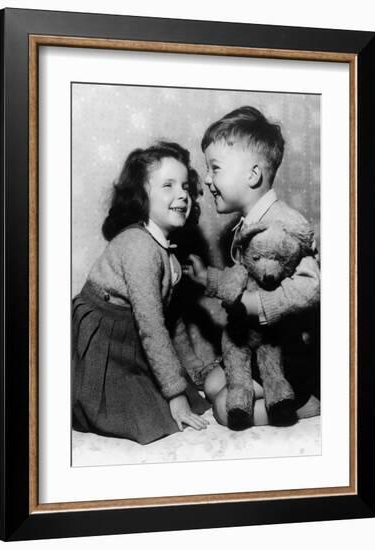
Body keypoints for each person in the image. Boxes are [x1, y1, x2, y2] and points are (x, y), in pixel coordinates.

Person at [184, 106, 321, 428]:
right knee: (213, 384)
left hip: (286, 358)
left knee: (222, 408)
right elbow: (243, 276)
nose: (206, 179)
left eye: (214, 168)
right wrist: (208, 279)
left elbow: (312, 286)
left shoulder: (284, 223)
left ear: (252, 175)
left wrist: (255, 305)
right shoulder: (249, 223)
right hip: (255, 346)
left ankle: (304, 402)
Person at [72, 141, 210, 445]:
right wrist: (175, 394)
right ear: (141, 198)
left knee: (191, 397)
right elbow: (151, 326)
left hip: (134, 330)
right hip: (102, 334)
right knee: (146, 416)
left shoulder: (168, 252)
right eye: (168, 185)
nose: (182, 194)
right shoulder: (139, 247)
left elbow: (170, 320)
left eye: (185, 185)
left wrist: (192, 370)